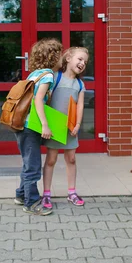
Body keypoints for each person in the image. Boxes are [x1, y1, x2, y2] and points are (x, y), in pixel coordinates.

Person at [13, 38, 63, 215]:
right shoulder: (47, 75)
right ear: (53, 56)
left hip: (22, 125)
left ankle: (20, 195)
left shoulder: (34, 74)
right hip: (31, 127)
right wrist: (45, 125)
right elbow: (38, 100)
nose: (62, 59)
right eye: (60, 54)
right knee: (33, 165)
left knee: (28, 161)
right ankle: (32, 203)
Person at [42, 47, 89, 208]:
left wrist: (77, 125)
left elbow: (80, 106)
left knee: (71, 159)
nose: (82, 63)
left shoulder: (80, 84)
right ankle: (46, 194)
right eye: (80, 59)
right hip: (54, 127)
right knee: (51, 159)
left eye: (85, 62)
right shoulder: (55, 77)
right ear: (68, 58)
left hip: (70, 128)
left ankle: (72, 192)